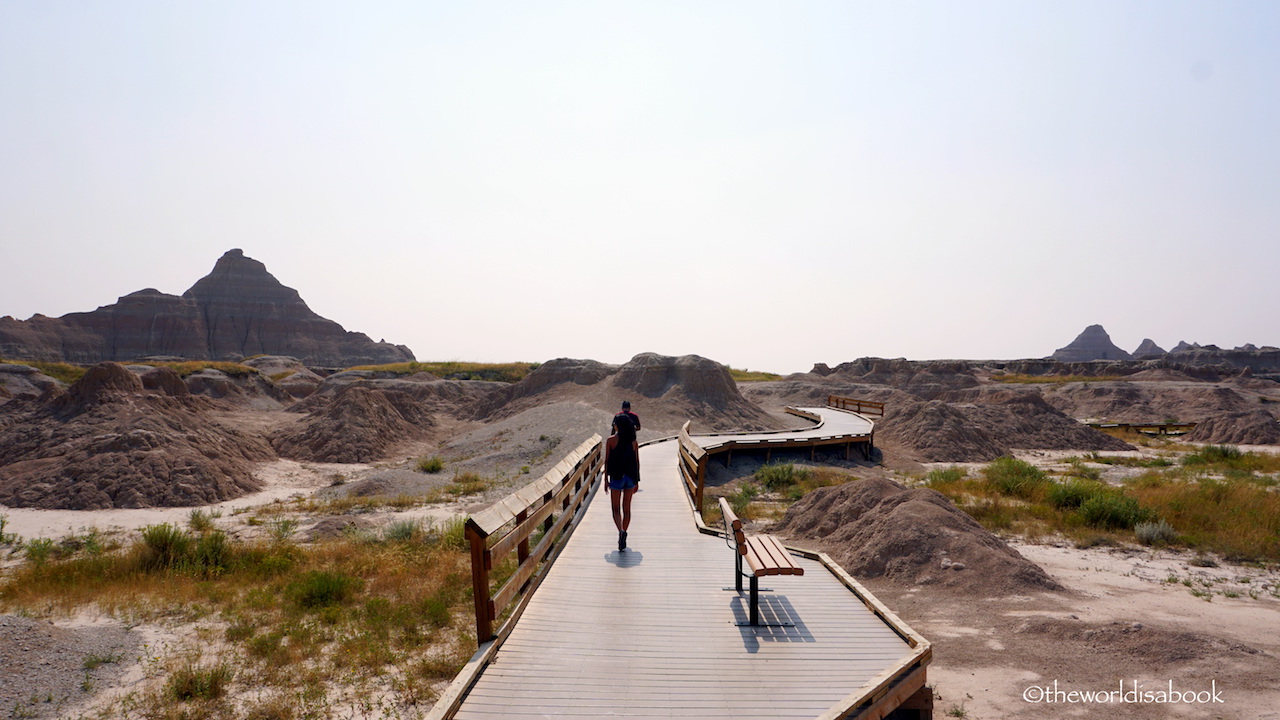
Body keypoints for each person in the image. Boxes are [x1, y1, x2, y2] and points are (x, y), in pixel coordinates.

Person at [604, 412, 640, 551]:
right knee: (627, 509)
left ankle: (620, 531)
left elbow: (607, 461)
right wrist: (637, 481)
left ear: (618, 426)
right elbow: (637, 462)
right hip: (630, 477)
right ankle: (625, 530)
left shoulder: (611, 440)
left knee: (615, 508)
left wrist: (605, 481)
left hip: (616, 477)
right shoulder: (633, 442)